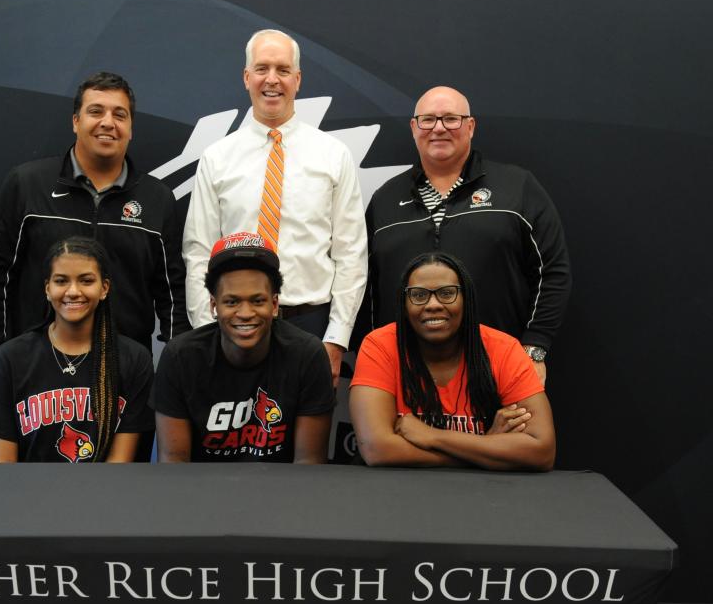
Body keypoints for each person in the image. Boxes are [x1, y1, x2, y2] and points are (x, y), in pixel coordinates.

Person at [183, 29, 367, 386]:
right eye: (262, 68)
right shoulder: (217, 158)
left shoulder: (333, 155)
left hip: (310, 323)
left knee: (307, 440)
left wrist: (336, 337)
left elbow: (351, 254)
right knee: (236, 437)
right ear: (246, 77)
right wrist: (209, 334)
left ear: (297, 80)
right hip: (236, 323)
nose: (272, 80)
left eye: (283, 70)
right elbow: (199, 252)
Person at [0, 71, 188, 379]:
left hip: (124, 373)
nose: (107, 122)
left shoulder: (158, 200)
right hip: (35, 369)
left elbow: (173, 293)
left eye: (120, 114)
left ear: (130, 128)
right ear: (75, 121)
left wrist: (174, 366)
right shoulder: (27, 185)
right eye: (95, 111)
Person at [363, 86, 571, 384]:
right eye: (428, 119)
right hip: (404, 372)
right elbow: (366, 286)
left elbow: (553, 272)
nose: (438, 128)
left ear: (470, 126)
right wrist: (370, 357)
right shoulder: (384, 199)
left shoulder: (517, 187)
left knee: (505, 433)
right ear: (413, 128)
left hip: (497, 368)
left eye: (451, 119)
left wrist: (535, 348)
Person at [350, 252, 555, 470]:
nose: (433, 304)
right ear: (404, 304)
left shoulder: (503, 350)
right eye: (418, 295)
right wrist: (486, 447)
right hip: (396, 493)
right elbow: (377, 449)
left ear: (467, 299)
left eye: (447, 293)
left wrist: (433, 437)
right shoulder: (380, 346)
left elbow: (541, 451)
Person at [155, 232, 335, 463]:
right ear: (214, 305)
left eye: (257, 301)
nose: (245, 313)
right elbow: (174, 466)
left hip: (283, 494)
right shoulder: (180, 357)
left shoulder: (307, 354)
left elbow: (308, 466)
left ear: (274, 304)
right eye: (232, 302)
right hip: (203, 493)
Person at [0, 238, 153, 463]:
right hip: (26, 494)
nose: (73, 291)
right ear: (48, 288)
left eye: (86, 280)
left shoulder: (133, 360)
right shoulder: (10, 359)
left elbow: (119, 466)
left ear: (104, 288)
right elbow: (3, 469)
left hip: (103, 493)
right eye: (61, 281)